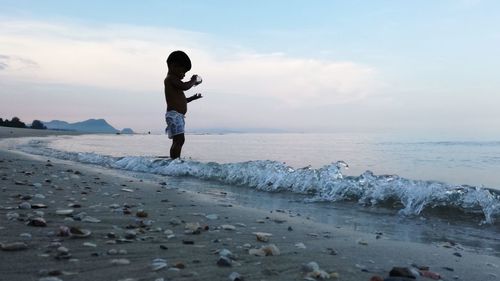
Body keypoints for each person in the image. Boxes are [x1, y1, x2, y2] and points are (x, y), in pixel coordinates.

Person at [164, 50, 203, 159]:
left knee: (178, 140)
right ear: (173, 66)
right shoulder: (170, 79)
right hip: (174, 115)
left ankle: (175, 160)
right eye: (183, 71)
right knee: (179, 140)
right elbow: (184, 86)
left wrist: (193, 98)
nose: (184, 75)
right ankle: (175, 161)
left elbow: (182, 101)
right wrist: (193, 80)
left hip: (177, 116)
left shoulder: (175, 83)